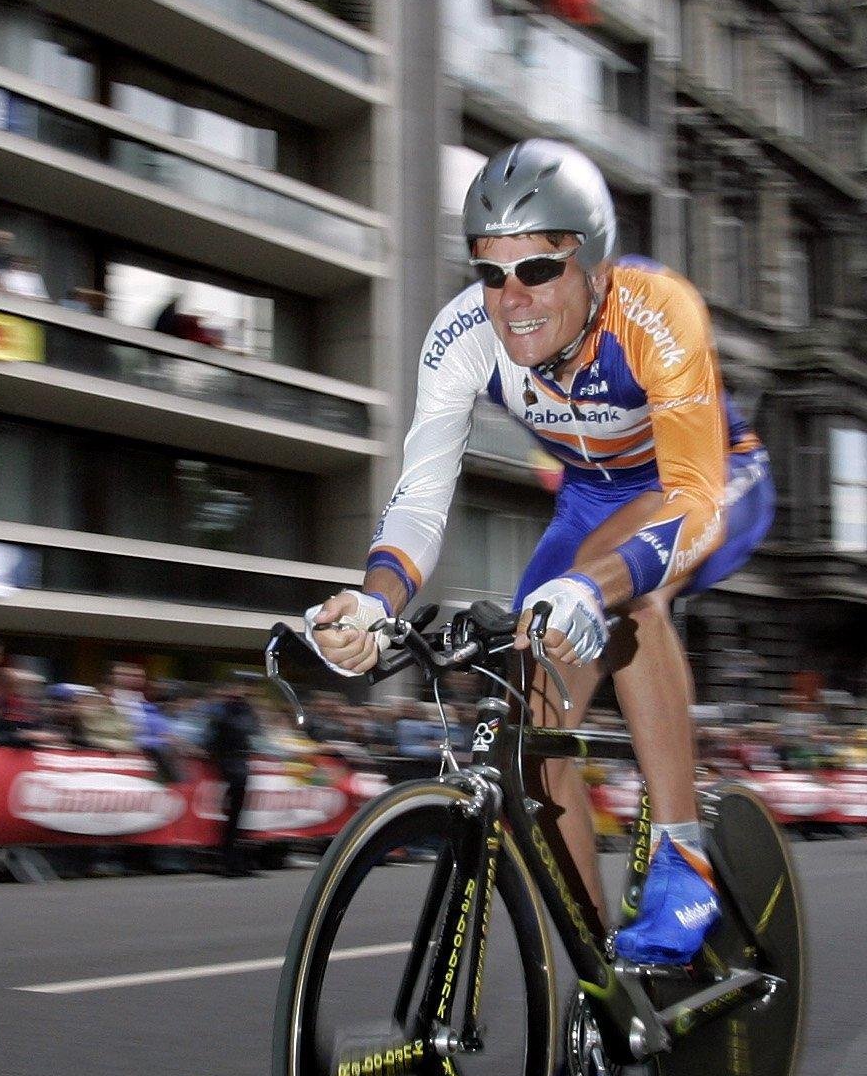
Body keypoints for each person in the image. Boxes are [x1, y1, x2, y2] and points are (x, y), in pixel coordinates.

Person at [306, 138, 775, 985]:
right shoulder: (462, 337)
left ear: (593, 265)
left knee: (627, 599)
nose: (511, 299)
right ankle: (603, 987)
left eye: (538, 269)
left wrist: (595, 585)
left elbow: (691, 496)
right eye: (490, 274)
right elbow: (419, 496)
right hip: (591, 501)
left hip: (704, 480)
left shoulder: (652, 310)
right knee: (526, 730)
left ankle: (683, 856)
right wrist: (375, 600)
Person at [203, 684, 260, 876]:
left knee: (236, 817)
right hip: (229, 764)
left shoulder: (242, 710)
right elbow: (217, 737)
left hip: (236, 764)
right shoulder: (226, 711)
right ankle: (227, 861)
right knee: (231, 817)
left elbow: (252, 730)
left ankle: (235, 860)